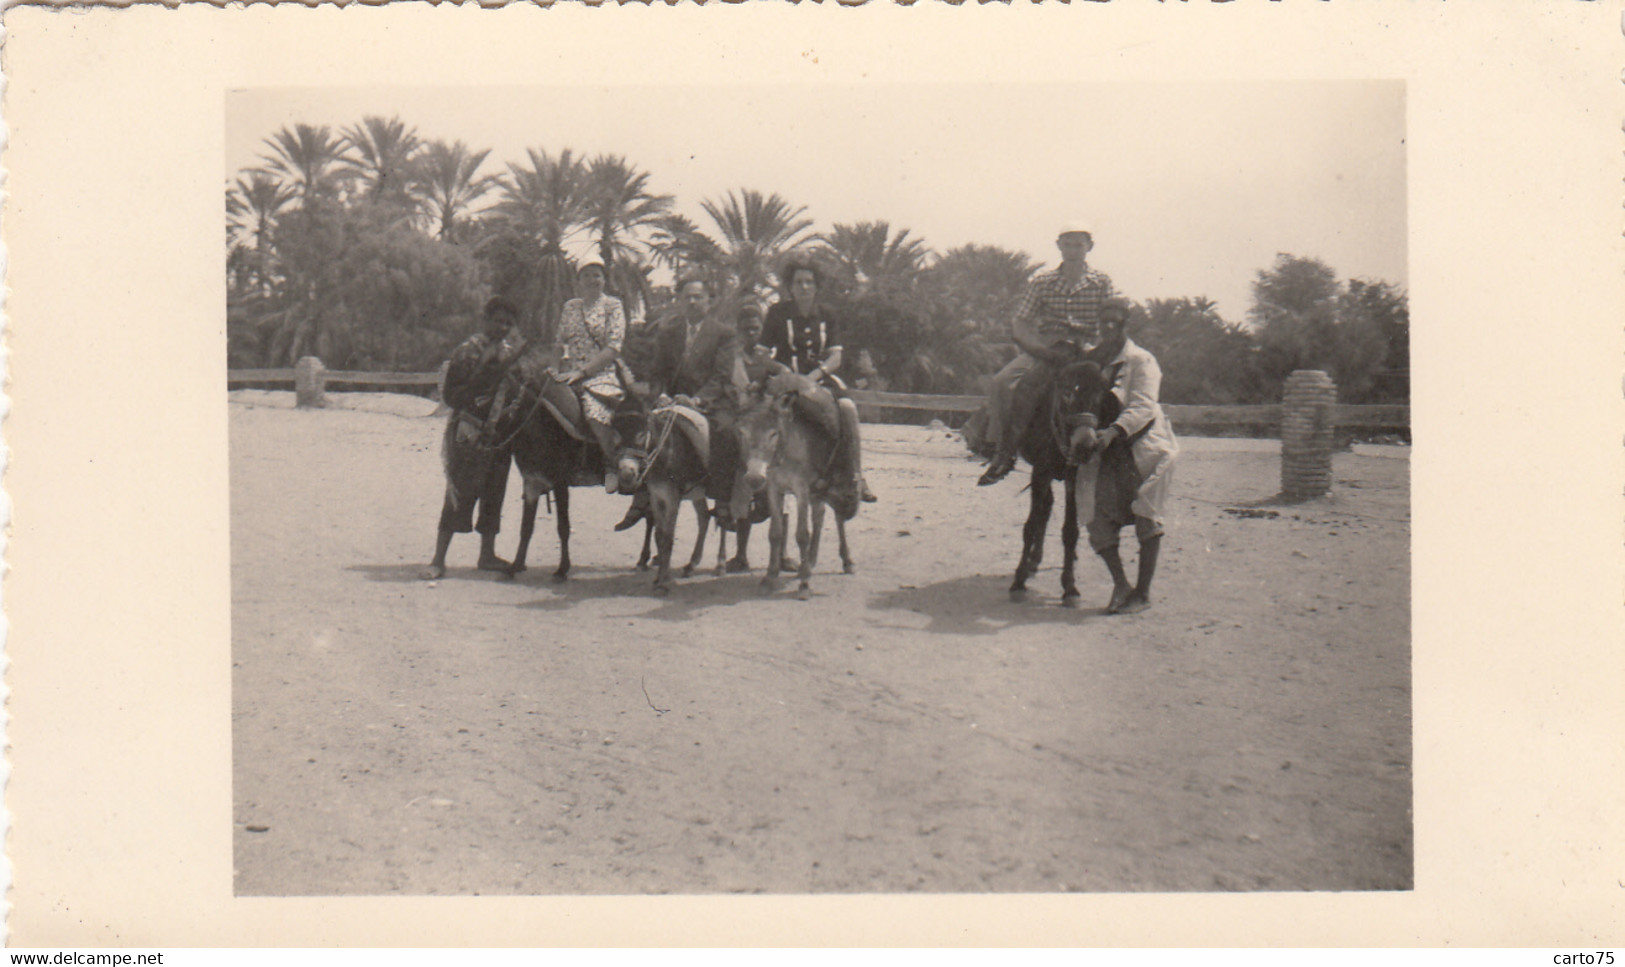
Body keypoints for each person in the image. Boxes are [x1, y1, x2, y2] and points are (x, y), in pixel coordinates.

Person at [977, 221, 1117, 486]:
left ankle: (1123, 446)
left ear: (1089, 247)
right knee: (1003, 383)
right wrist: (1039, 350)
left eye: (1079, 244)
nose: (1073, 250)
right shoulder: (1042, 282)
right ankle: (1003, 452)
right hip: (1049, 349)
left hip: (1088, 349)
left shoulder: (1101, 282)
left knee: (1121, 385)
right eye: (1067, 244)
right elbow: (1020, 322)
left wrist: (1102, 349)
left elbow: (1110, 320)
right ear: (1058, 246)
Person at [1074, 303, 1179, 614]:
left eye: (1114, 323)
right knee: (1097, 517)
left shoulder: (1141, 360)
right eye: (1102, 321)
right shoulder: (1094, 360)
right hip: (1107, 453)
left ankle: (1143, 594)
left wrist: (1114, 431)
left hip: (1143, 447)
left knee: (1146, 515)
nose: (1107, 328)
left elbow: (1144, 405)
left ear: (1124, 326)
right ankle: (1121, 584)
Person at [422, 296, 527, 580]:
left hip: (499, 435)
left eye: (508, 323)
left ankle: (487, 555)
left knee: (495, 493)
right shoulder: (467, 351)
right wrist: (481, 379)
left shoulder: (512, 354)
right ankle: (438, 559)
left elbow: (518, 394)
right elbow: (451, 396)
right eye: (498, 320)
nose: (503, 327)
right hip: (469, 431)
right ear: (486, 320)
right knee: (459, 492)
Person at [762, 258, 878, 503]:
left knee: (847, 408)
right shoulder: (777, 312)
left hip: (820, 379)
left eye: (809, 282)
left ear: (816, 286)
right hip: (784, 378)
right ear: (790, 287)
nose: (804, 287)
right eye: (798, 282)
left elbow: (836, 356)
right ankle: (757, 479)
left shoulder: (827, 314)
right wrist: (781, 369)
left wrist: (813, 377)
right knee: (757, 412)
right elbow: (761, 354)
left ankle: (856, 475)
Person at [553, 261, 628, 492]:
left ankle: (611, 463)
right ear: (578, 281)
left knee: (594, 413)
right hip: (569, 374)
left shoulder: (612, 305)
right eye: (586, 275)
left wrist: (583, 373)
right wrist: (555, 368)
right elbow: (559, 341)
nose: (592, 280)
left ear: (604, 280)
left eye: (597, 275)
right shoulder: (571, 307)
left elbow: (613, 348)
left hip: (601, 375)